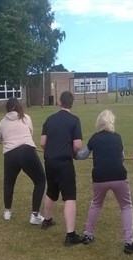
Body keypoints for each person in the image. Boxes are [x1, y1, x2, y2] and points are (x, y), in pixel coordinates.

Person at [76, 109, 133, 254]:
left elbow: (83, 155)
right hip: (119, 176)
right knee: (126, 206)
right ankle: (129, 242)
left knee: (96, 204)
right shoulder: (118, 137)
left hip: (100, 178)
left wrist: (72, 153)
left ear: (99, 122)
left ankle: (88, 235)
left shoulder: (94, 138)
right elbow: (122, 156)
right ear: (112, 122)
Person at [0, 97, 46, 224]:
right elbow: (30, 132)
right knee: (40, 180)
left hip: (10, 155)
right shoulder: (26, 118)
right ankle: (35, 215)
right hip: (27, 151)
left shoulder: (3, 122)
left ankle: (7, 212)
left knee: (9, 183)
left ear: (7, 108)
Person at [40, 91, 83, 246]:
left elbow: (43, 143)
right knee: (69, 196)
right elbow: (77, 145)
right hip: (65, 163)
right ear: (72, 104)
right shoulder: (74, 120)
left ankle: (47, 220)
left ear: (59, 102)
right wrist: (72, 152)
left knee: (51, 191)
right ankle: (70, 235)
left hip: (49, 161)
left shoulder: (49, 119)